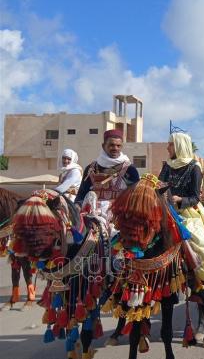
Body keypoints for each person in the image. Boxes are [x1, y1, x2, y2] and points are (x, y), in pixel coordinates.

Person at [74, 129, 140, 347]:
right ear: (104, 145)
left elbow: (137, 196)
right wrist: (75, 209)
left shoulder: (129, 169)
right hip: (91, 214)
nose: (115, 148)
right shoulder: (91, 168)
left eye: (119, 145)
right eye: (112, 145)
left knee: (126, 254)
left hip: (119, 217)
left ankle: (125, 283)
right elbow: (81, 195)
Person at [158, 132, 204, 348]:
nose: (167, 147)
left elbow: (195, 196)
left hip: (188, 213)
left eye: (170, 144)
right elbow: (159, 186)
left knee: (201, 247)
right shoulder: (167, 166)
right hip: (166, 212)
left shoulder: (194, 167)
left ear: (179, 146)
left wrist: (180, 200)